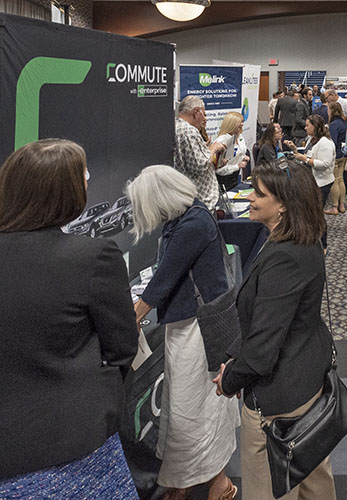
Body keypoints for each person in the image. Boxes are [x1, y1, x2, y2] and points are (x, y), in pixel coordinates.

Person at [0, 139, 139, 497]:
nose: (89, 181)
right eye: (84, 175)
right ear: (66, 191)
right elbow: (122, 348)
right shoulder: (92, 257)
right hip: (75, 454)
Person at [212, 158, 336, 500]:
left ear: (283, 205)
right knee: (314, 480)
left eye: (258, 193)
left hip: (279, 399)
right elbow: (278, 319)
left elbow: (264, 348)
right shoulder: (303, 240)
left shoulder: (284, 256)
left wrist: (230, 379)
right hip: (305, 382)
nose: (250, 198)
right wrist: (234, 355)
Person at [129, 165, 240, 500]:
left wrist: (130, 319)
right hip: (192, 326)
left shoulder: (192, 223)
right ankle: (205, 480)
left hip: (197, 329)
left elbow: (163, 281)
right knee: (196, 408)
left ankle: (204, 481)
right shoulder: (189, 216)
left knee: (190, 409)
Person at [175, 95, 227, 208]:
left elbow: (192, 162)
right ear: (196, 112)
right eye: (203, 114)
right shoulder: (188, 131)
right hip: (200, 202)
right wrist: (214, 148)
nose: (205, 118)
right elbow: (200, 165)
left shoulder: (178, 127)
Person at [294, 114, 335, 248]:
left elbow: (325, 163)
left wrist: (305, 159)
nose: (305, 128)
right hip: (314, 181)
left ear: (315, 126)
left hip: (322, 183)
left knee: (317, 215)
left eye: (307, 125)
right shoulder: (314, 140)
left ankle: (322, 245)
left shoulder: (325, 143)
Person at [213, 111, 250, 191]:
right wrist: (237, 166)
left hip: (236, 177)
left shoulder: (239, 136)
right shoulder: (222, 141)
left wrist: (243, 157)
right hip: (224, 180)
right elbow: (219, 170)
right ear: (232, 125)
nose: (242, 125)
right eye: (239, 124)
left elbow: (239, 152)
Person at [326, 102, 347, 215]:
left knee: (335, 180)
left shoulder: (334, 125)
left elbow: (332, 142)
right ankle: (342, 205)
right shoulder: (345, 122)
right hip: (344, 154)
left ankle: (334, 207)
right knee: (341, 179)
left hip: (336, 155)